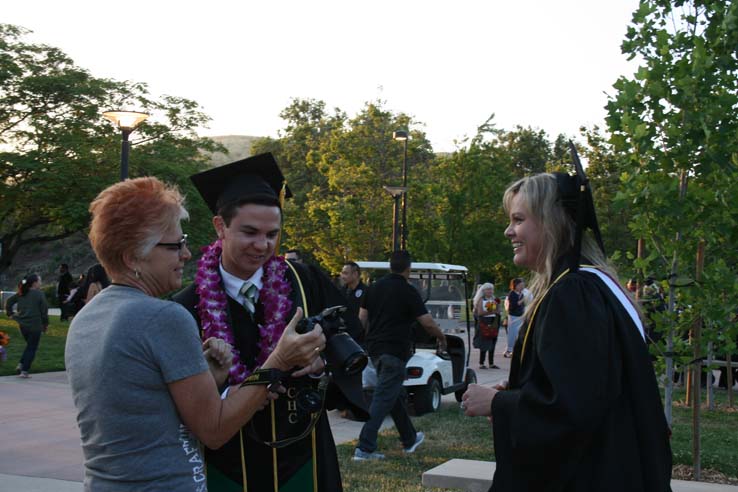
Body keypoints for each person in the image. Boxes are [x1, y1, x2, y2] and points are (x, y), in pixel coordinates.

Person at [65, 176, 325, 491]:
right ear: (132, 257)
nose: (187, 254)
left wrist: (210, 379)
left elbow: (144, 406)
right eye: (175, 245)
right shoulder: (164, 317)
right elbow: (214, 431)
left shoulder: (87, 316)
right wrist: (280, 360)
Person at [461, 158, 672, 491]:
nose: (508, 231)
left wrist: (498, 403)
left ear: (552, 222)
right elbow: (587, 385)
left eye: (518, 219)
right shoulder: (591, 285)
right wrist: (519, 390)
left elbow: (573, 407)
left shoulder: (573, 294)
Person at [173, 153, 367, 491]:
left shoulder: (305, 282)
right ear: (220, 226)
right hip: (229, 461)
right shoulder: (187, 307)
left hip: (304, 451)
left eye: (272, 234)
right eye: (249, 232)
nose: (262, 245)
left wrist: (323, 362)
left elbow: (353, 334)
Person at [354, 250, 447, 461]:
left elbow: (361, 319)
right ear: (408, 268)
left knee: (392, 395)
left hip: (375, 350)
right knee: (382, 398)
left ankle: (410, 439)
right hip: (395, 351)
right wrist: (441, 337)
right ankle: (364, 448)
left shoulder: (373, 288)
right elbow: (427, 323)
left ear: (390, 266)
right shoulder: (408, 291)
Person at [5, 274, 48, 378]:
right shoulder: (39, 294)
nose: (41, 283)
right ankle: (24, 371)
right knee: (32, 348)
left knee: (29, 346)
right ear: (34, 283)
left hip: (23, 325)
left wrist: (10, 313)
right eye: (40, 281)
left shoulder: (21, 293)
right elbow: (44, 311)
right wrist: (45, 324)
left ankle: (21, 364)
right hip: (35, 325)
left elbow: (9, 302)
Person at [472, 283, 500, 369]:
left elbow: (498, 310)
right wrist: (493, 312)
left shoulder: (494, 299)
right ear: (483, 291)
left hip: (493, 322)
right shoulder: (481, 300)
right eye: (488, 289)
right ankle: (481, 362)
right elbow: (480, 313)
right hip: (484, 322)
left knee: (492, 341)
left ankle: (491, 363)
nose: (490, 291)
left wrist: (496, 310)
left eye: (491, 289)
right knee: (484, 342)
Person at [340, 261, 367, 344]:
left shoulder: (366, 291)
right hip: (343, 335)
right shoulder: (342, 291)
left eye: (345, 273)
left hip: (359, 339)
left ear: (355, 274)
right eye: (342, 273)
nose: (342, 276)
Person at [503, 278, 525, 358]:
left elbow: (522, 305)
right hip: (513, 316)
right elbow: (512, 306)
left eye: (523, 285)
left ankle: (515, 349)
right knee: (512, 333)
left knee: (519, 333)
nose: (522, 287)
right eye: (520, 285)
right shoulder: (512, 294)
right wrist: (522, 300)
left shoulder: (521, 294)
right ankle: (509, 350)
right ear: (515, 285)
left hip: (520, 315)